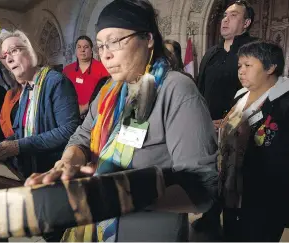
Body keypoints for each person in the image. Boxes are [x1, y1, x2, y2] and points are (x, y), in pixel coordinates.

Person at [25, 0, 218, 241]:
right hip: (99, 226)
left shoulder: (176, 90)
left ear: (148, 39)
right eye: (101, 45)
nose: (105, 54)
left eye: (115, 42)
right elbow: (82, 136)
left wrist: (116, 195)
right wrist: (67, 162)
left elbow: (202, 189)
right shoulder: (110, 92)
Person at [193, 0, 257, 234]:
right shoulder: (212, 52)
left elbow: (256, 90)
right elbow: (200, 90)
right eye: (224, 15)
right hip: (209, 126)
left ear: (246, 22)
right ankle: (210, 216)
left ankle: (232, 227)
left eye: (233, 15)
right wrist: (201, 120)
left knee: (233, 180)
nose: (225, 19)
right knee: (211, 174)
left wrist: (231, 119)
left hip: (239, 129)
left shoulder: (253, 50)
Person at [0, 30, 80, 179]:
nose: (8, 59)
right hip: (30, 170)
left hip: (55, 171)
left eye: (14, 50)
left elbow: (69, 130)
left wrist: (18, 146)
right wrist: (1, 147)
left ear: (31, 51)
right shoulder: (26, 89)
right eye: (4, 56)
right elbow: (22, 133)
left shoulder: (55, 81)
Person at [218, 40, 289, 241]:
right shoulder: (240, 96)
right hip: (232, 189)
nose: (241, 71)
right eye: (240, 65)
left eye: (248, 65)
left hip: (265, 196)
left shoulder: (284, 104)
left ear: (271, 67)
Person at [63, 35, 109, 118]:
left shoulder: (103, 69)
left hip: (93, 115)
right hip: (69, 114)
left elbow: (106, 94)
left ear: (91, 50)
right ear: (76, 50)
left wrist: (85, 107)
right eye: (79, 47)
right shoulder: (67, 70)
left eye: (86, 47)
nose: (82, 50)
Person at [0, 68, 22, 138]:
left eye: (9, 72)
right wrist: (11, 137)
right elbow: (3, 118)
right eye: (4, 73)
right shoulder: (9, 94)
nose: (6, 76)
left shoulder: (29, 90)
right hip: (14, 140)